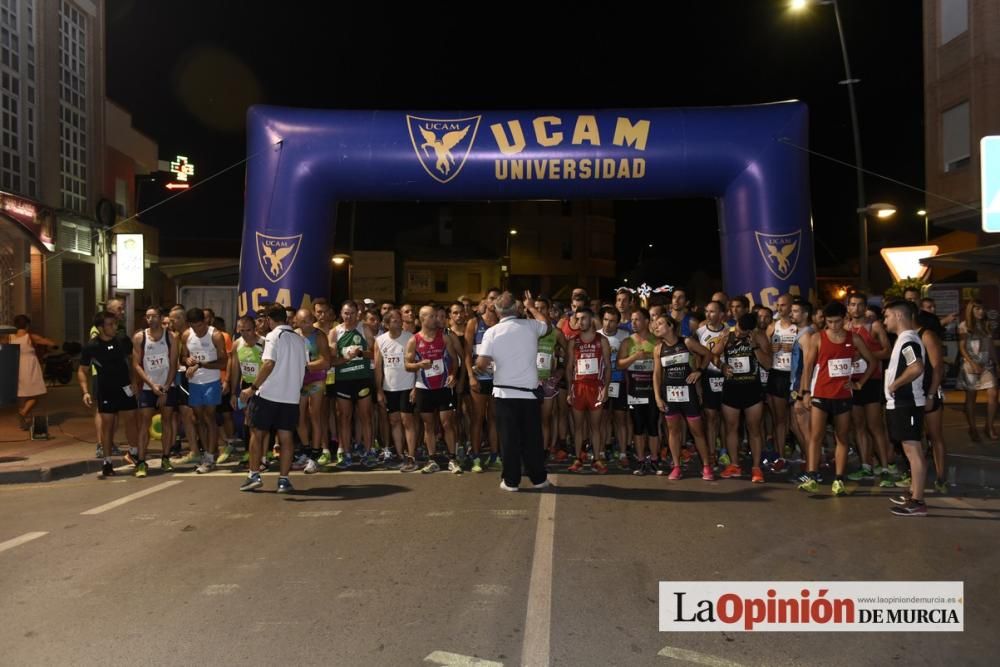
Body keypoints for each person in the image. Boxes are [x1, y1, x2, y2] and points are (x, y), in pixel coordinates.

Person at [475, 291, 551, 491]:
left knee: (509, 440)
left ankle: (511, 481)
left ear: (497, 311)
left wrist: (479, 365)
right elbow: (547, 325)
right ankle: (538, 478)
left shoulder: (492, 332)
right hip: (529, 395)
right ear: (518, 309)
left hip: (505, 395)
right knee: (532, 438)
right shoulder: (531, 326)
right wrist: (532, 306)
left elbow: (482, 363)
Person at [797, 302, 876, 496]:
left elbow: (872, 361)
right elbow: (807, 367)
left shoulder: (854, 338)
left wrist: (859, 384)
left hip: (842, 395)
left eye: (837, 321)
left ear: (845, 319)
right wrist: (805, 392)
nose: (833, 326)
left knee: (842, 437)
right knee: (816, 436)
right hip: (821, 394)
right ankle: (812, 476)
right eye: (830, 322)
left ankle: (839, 479)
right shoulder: (817, 338)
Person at [239, 305, 309, 493]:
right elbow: (305, 367)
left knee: (257, 433)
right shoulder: (299, 339)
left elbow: (269, 363)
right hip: (291, 396)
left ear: (270, 320)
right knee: (286, 437)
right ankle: (283, 480)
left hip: (269, 394)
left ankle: (254, 475)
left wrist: (252, 388)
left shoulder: (272, 336)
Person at [652, 313, 714, 481]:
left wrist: (699, 371)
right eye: (654, 324)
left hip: (688, 394)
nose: (655, 326)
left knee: (697, 431)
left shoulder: (686, 342)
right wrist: (658, 397)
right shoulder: (658, 349)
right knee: (673, 431)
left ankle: (707, 466)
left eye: (659, 323)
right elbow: (657, 375)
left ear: (670, 326)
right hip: (669, 394)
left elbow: (707, 354)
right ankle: (676, 466)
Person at [78, 311, 140, 478]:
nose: (114, 327)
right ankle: (107, 462)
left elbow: (132, 362)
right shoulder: (91, 346)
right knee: (108, 425)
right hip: (105, 389)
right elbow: (82, 371)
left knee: (132, 419)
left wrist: (134, 382)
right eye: (110, 325)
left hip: (125, 387)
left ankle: (134, 453)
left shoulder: (123, 341)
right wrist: (85, 392)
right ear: (100, 328)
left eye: (115, 324)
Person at [882, 300, 928, 517]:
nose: (885, 321)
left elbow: (916, 367)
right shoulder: (905, 340)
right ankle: (913, 494)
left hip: (907, 402)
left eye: (887, 316)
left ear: (899, 316)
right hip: (903, 403)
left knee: (913, 451)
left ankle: (917, 501)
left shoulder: (908, 340)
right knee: (911, 450)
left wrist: (895, 384)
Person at [405, 305, 463, 474]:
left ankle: (453, 459)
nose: (436, 319)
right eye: (431, 316)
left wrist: (453, 374)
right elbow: (407, 365)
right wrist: (418, 365)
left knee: (447, 423)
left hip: (444, 386)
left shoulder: (444, 338)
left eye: (436, 316)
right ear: (422, 319)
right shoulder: (413, 340)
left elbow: (455, 359)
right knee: (428, 424)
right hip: (424, 388)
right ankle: (432, 460)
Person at [717, 313, 772, 483]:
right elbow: (713, 355)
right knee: (731, 427)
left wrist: (755, 347)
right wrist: (722, 365)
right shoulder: (728, 334)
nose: (740, 334)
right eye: (739, 330)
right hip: (732, 388)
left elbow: (768, 364)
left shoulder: (759, 337)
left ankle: (756, 468)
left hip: (752, 389)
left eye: (743, 332)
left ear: (751, 329)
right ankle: (734, 465)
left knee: (754, 429)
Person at [181, 308, 229, 474]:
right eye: (194, 327)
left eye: (200, 326)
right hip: (195, 382)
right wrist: (187, 360)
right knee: (199, 419)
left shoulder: (215, 335)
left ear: (206, 321)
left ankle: (210, 457)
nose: (198, 330)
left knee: (210, 417)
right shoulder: (187, 335)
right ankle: (209, 452)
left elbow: (223, 362)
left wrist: (201, 364)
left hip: (211, 381)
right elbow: (183, 356)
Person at [132, 307, 179, 477]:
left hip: (167, 386)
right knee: (144, 423)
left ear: (161, 318)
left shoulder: (171, 337)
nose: (151, 319)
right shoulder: (140, 337)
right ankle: (141, 462)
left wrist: (165, 387)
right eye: (148, 316)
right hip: (148, 387)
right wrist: (151, 385)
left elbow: (174, 363)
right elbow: (136, 364)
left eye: (154, 316)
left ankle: (165, 458)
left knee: (167, 421)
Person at [566, 308, 611, 473]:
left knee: (596, 427)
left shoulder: (602, 340)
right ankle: (578, 458)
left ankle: (597, 459)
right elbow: (569, 367)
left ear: (592, 319)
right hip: (578, 388)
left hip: (596, 387)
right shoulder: (574, 341)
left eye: (583, 318)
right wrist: (570, 390)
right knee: (578, 427)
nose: (580, 322)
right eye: (577, 319)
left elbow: (607, 366)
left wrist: (605, 389)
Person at [375, 309, 418, 472]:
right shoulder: (380, 341)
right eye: (394, 320)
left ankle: (411, 457)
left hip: (407, 386)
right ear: (386, 324)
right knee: (394, 421)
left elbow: (417, 363)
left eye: (399, 319)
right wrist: (379, 390)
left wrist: (416, 387)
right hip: (389, 388)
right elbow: (378, 368)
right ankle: (400, 455)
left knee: (408, 421)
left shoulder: (410, 338)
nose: (399, 322)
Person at [916, 310, 949, 494]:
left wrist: (930, 395)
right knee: (915, 437)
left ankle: (941, 477)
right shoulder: (910, 336)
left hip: (929, 393)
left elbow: (938, 368)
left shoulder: (927, 336)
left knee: (935, 436)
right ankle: (918, 477)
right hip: (915, 394)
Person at [957, 299, 998, 441]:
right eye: (977, 309)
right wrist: (972, 363)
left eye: (982, 309)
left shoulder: (986, 325)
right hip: (971, 364)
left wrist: (997, 363)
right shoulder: (964, 326)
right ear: (971, 310)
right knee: (971, 397)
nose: (981, 312)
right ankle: (973, 428)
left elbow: (991, 346)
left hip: (987, 363)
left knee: (993, 393)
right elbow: (962, 347)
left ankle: (989, 426)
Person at [11, 314, 53, 430]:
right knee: (36, 393)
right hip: (30, 367)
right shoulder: (29, 336)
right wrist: (54, 345)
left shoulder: (11, 337)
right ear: (27, 325)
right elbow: (47, 342)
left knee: (22, 395)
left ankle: (23, 421)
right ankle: (23, 413)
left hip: (17, 367)